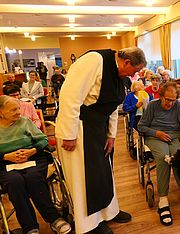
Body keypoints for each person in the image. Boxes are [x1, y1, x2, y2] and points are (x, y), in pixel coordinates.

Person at [55, 47, 146, 234]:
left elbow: (112, 105)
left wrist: (111, 135)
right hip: (79, 127)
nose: (136, 75)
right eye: (135, 70)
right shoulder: (94, 60)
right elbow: (69, 97)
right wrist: (69, 134)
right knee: (83, 177)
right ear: (126, 62)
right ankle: (88, 224)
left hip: (98, 128)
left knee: (103, 174)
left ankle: (108, 212)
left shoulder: (119, 74)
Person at [0, 96, 71, 234]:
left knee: (33, 177)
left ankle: (54, 219)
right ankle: (30, 227)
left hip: (33, 158)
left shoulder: (25, 122)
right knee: (15, 181)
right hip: (5, 163)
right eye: (13, 110)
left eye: (18, 108)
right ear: (1, 112)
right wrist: (6, 156)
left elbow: (43, 140)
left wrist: (31, 151)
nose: (18, 112)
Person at [138, 82, 180, 226]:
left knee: (179, 159)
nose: (170, 103)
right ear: (161, 96)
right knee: (163, 159)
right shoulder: (152, 105)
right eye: (167, 100)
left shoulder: (178, 106)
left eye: (173, 100)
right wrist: (156, 133)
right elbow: (141, 126)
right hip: (156, 137)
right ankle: (163, 200)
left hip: (175, 136)